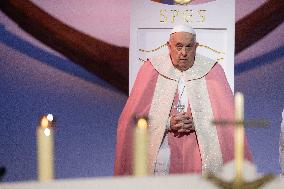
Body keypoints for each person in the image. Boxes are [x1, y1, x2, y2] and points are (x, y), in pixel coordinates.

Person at [114, 25, 252, 176]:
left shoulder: (212, 69)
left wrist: (199, 122)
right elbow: (130, 121)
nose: (184, 53)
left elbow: (229, 122)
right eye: (178, 46)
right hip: (162, 154)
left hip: (199, 155)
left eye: (189, 47)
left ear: (196, 46)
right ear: (169, 46)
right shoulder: (151, 68)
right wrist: (167, 123)